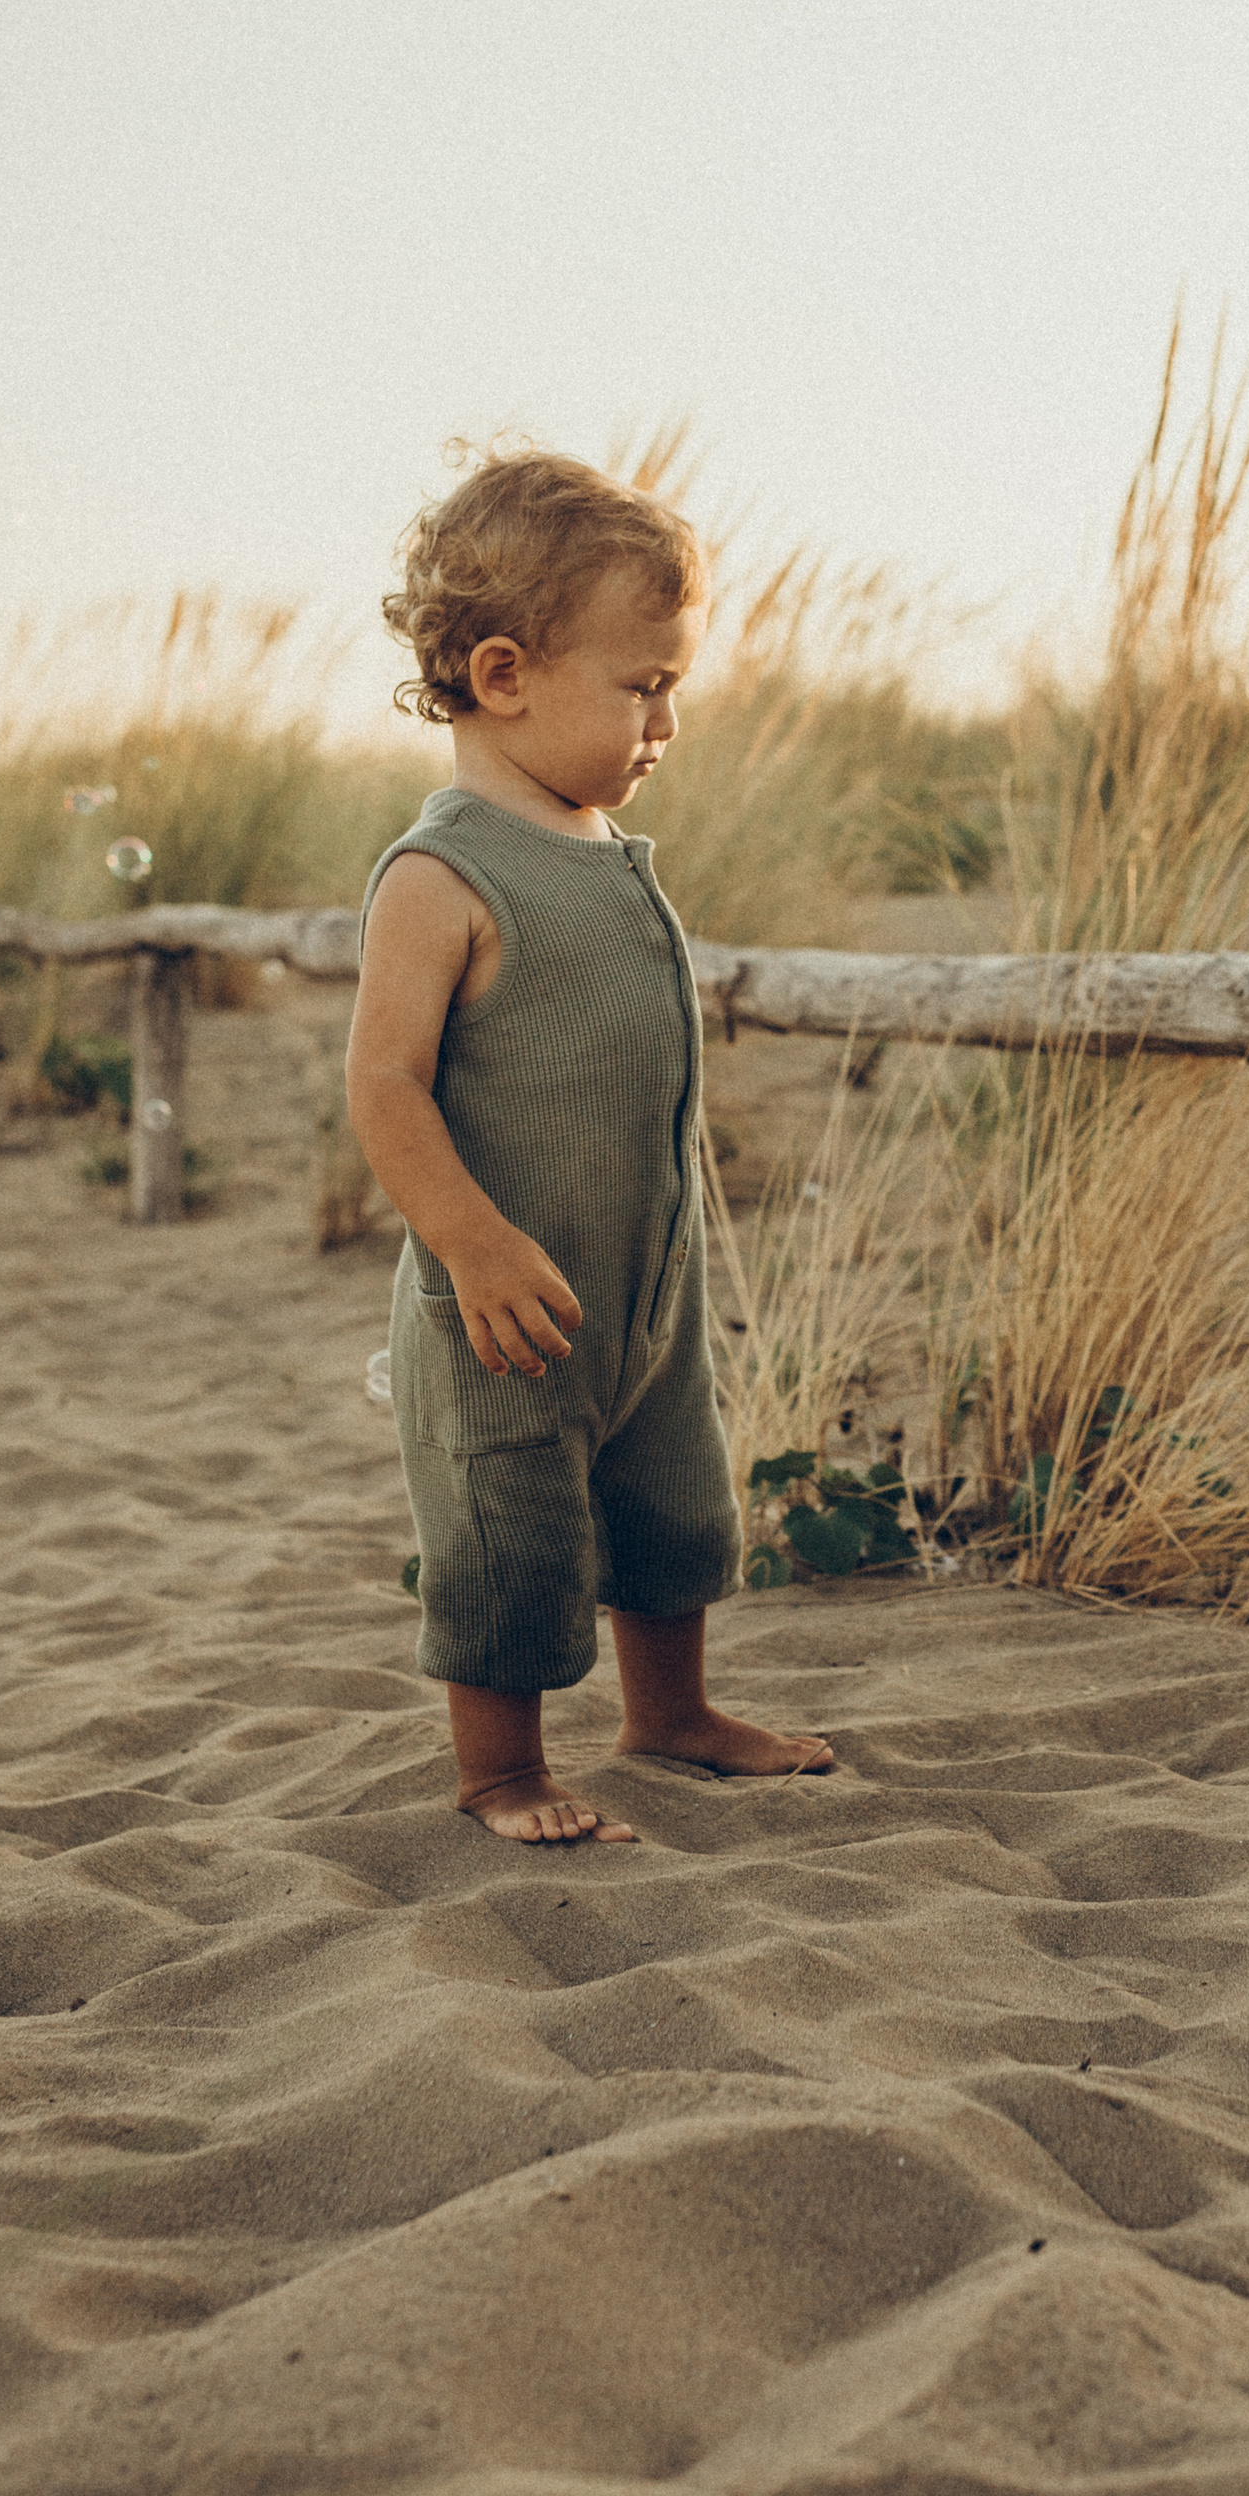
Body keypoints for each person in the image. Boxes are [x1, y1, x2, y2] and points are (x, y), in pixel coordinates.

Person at [346, 445, 832, 1843]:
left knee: (672, 1506)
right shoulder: (443, 876)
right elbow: (386, 1086)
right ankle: (501, 1770)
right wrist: (472, 1240)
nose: (667, 720)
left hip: (641, 1284)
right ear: (503, 677)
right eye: (643, 686)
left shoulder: (611, 852)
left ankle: (668, 1713)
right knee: (512, 1532)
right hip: (503, 1299)